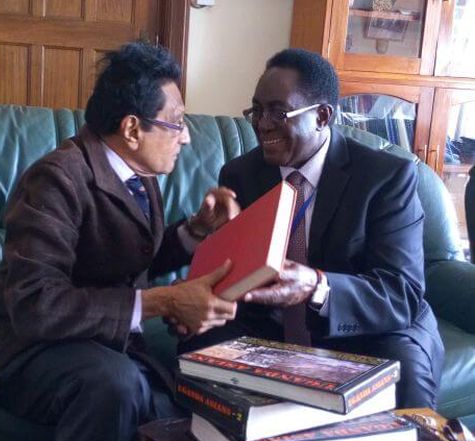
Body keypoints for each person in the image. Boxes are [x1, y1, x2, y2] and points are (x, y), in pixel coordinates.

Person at [0, 42, 239, 441]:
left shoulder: (140, 173)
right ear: (132, 129)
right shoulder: (56, 179)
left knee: (177, 403)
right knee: (114, 383)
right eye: (177, 122)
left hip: (94, 339)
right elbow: (35, 304)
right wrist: (163, 301)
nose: (186, 138)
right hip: (27, 348)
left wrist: (196, 231)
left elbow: (126, 258)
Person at [182, 48, 444, 410]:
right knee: (195, 351)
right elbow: (230, 271)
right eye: (257, 111)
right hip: (268, 328)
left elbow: (401, 292)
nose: (262, 124)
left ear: (322, 116)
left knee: (404, 374)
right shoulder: (241, 175)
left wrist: (316, 286)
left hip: (368, 328)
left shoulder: (385, 177)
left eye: (278, 112)